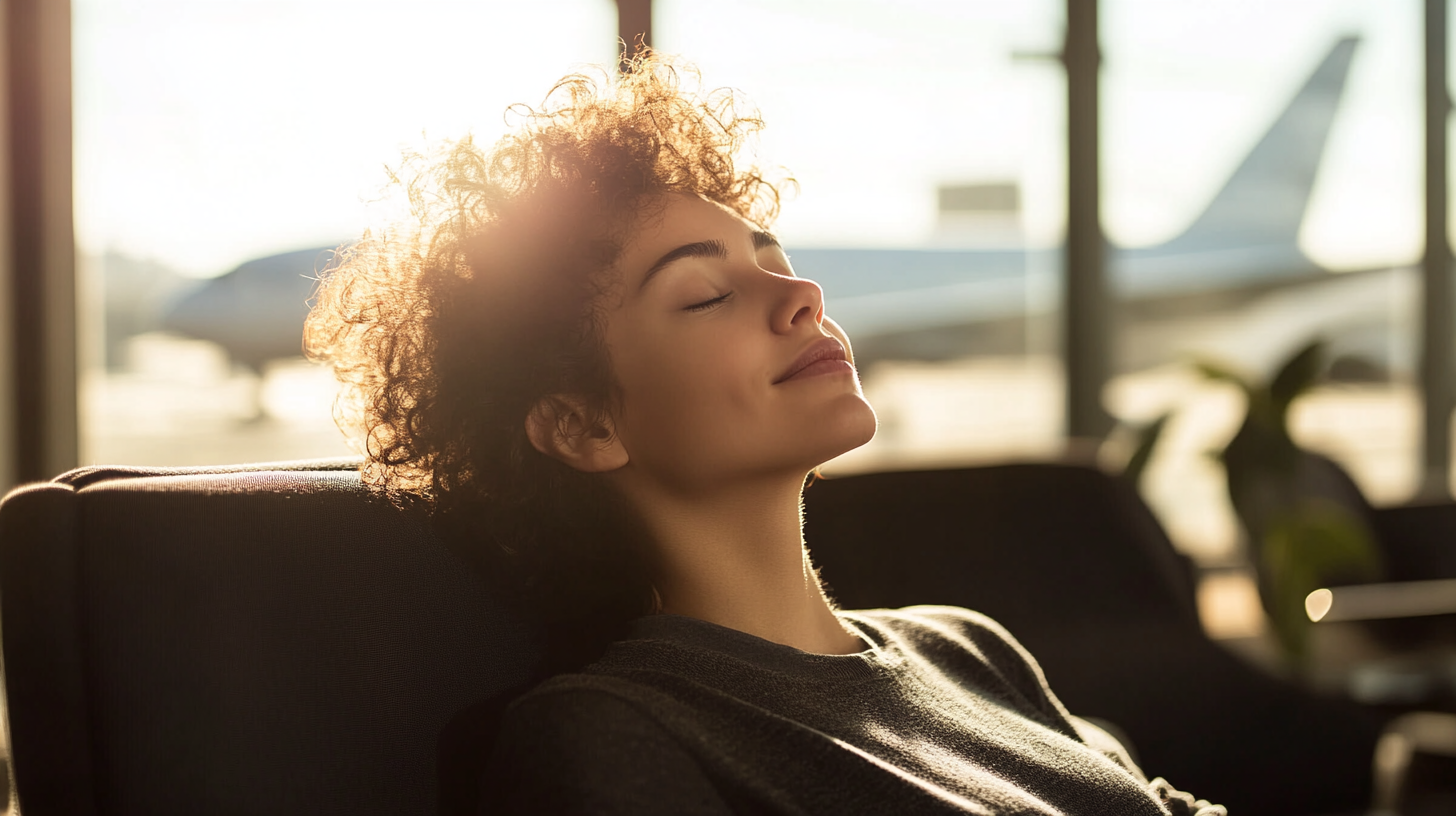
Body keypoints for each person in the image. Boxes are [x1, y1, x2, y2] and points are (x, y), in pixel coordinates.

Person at [305, 53, 1225, 816]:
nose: (800, 298)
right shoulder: (612, 732)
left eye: (777, 263)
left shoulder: (965, 648)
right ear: (582, 424)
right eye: (706, 295)